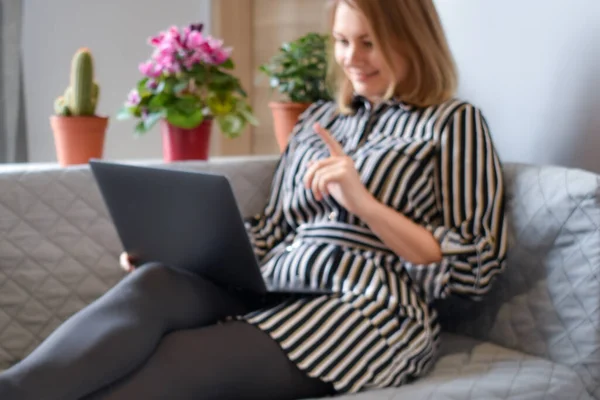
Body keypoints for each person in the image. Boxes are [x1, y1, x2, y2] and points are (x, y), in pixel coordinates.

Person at [0, 0, 507, 399]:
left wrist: (365, 205)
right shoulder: (319, 121)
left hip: (364, 307)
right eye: (342, 41)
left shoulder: (452, 123)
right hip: (275, 280)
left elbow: (476, 266)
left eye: (369, 42)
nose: (352, 58)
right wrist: (179, 251)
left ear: (411, 40)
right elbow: (271, 229)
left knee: (181, 361)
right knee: (155, 283)